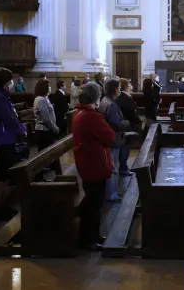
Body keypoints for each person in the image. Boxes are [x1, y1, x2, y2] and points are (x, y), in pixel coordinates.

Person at [72, 83, 116, 250]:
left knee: (93, 201)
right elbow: (110, 137)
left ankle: (93, 236)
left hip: (87, 162)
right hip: (95, 164)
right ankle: (88, 240)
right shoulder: (91, 116)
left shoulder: (79, 112)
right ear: (96, 98)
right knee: (94, 203)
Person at [0, 67, 28, 217]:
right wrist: (21, 130)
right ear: (5, 82)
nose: (12, 83)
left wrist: (20, 127)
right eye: (10, 80)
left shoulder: (0, 96)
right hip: (4, 139)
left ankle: (3, 205)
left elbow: (12, 116)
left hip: (7, 138)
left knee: (6, 174)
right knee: (3, 175)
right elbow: (9, 119)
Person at [98, 79, 130, 202]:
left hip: (106, 137)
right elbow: (116, 124)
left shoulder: (104, 100)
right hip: (113, 138)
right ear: (115, 89)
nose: (119, 90)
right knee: (113, 167)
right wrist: (126, 123)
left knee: (109, 165)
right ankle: (111, 193)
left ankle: (109, 192)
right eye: (119, 87)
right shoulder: (111, 104)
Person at [33, 79, 61, 175]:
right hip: (44, 130)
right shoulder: (41, 99)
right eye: (48, 86)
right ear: (43, 88)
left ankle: (54, 173)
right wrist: (55, 128)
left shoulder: (44, 98)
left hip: (46, 129)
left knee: (50, 153)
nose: (50, 88)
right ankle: (51, 174)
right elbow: (46, 118)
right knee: (47, 153)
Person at [115, 78, 141, 176]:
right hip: (127, 125)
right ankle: (123, 168)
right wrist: (138, 121)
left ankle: (122, 167)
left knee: (124, 147)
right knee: (125, 147)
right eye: (129, 85)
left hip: (124, 124)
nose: (130, 86)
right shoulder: (125, 98)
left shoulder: (121, 97)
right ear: (126, 87)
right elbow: (131, 113)